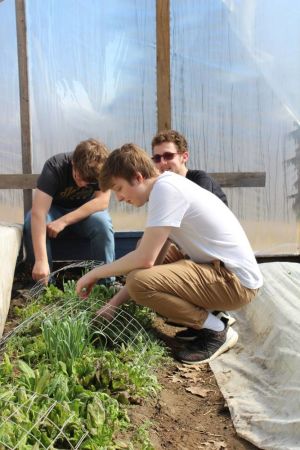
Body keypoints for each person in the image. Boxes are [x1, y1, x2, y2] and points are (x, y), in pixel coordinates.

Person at [76, 143, 263, 365]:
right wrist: (112, 305)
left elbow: (143, 262)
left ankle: (216, 331)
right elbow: (152, 260)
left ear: (137, 177)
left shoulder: (166, 191)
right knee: (146, 264)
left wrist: (94, 273)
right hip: (227, 274)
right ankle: (209, 319)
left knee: (139, 281)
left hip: (235, 283)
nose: (119, 198)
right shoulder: (167, 187)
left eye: (118, 188)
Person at [24, 138, 115, 283]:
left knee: (102, 223)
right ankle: (44, 285)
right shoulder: (55, 166)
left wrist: (64, 221)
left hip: (85, 215)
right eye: (79, 177)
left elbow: (102, 202)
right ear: (73, 162)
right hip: (54, 212)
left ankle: (105, 284)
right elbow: (38, 213)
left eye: (89, 181)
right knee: (30, 221)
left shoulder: (102, 168)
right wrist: (41, 260)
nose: (82, 184)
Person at [151, 129, 228, 205]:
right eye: (157, 158)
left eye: (168, 156)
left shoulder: (200, 179)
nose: (162, 162)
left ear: (184, 157)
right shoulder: (162, 186)